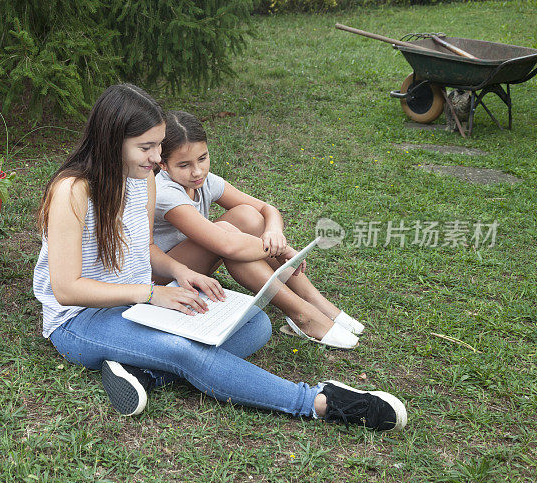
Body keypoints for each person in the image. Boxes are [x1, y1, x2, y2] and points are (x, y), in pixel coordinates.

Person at [32, 84, 407, 431]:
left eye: (159, 145)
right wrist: (149, 293)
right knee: (186, 351)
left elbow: (144, 249)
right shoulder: (72, 191)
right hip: (79, 320)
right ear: (111, 140)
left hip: (135, 302)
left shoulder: (142, 177)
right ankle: (321, 402)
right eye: (145, 147)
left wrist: (180, 271)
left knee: (254, 323)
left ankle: (144, 374)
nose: (157, 157)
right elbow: (66, 289)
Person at [153, 110, 363, 350]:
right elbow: (226, 245)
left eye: (202, 158)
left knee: (248, 216)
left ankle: (316, 301)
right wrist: (277, 250)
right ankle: (302, 314)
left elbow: (266, 209)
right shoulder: (166, 193)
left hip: (196, 266)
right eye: (184, 165)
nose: (197, 171)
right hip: (163, 277)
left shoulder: (204, 181)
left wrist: (274, 234)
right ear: (163, 164)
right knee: (227, 235)